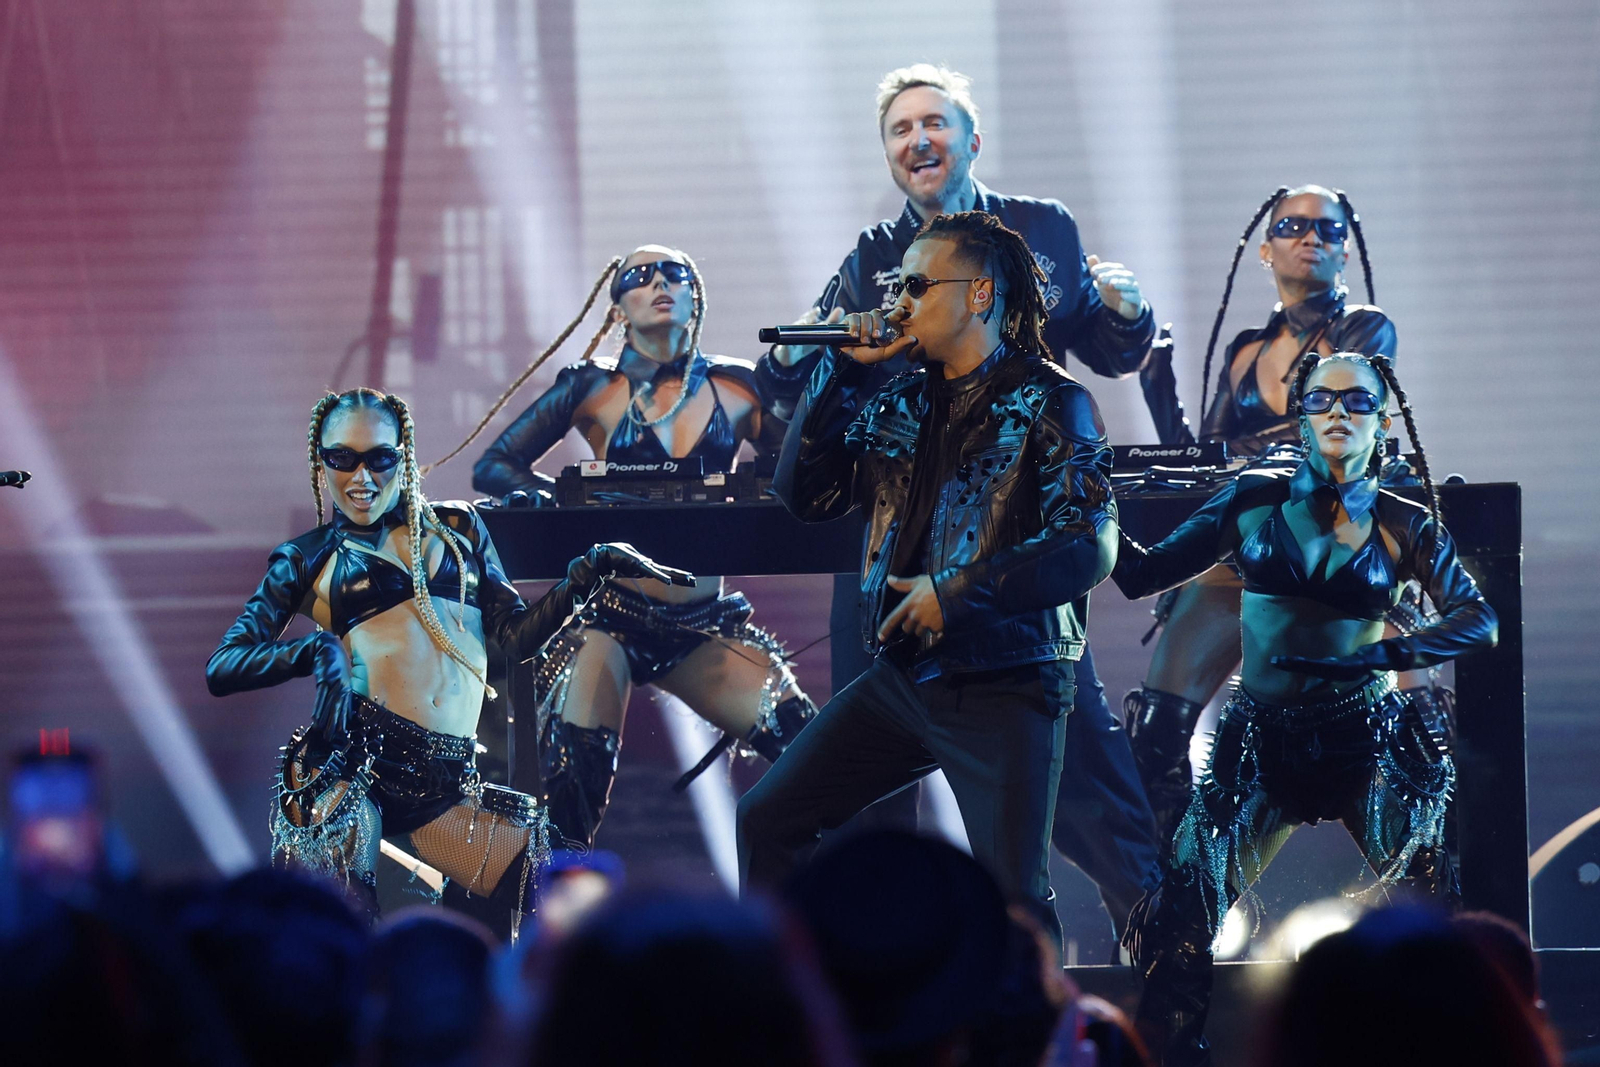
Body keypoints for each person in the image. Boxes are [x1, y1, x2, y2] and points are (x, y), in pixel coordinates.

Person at [754, 60, 1159, 942]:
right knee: (849, 814)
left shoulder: (1041, 232)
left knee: (1085, 797)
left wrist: (1130, 311)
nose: (917, 141)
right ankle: (872, 988)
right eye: (899, 130)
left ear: (972, 138)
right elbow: (798, 444)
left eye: (933, 123)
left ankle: (1161, 967)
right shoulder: (871, 259)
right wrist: (817, 365)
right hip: (903, 554)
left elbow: (1109, 346)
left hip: (1017, 558)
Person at [1114, 354, 1498, 1065]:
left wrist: (1374, 658)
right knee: (1178, 927)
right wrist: (1089, 510)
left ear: (1383, 418)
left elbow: (1479, 619)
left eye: (1357, 401)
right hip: (1257, 746)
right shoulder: (1252, 498)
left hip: (1367, 743)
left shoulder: (1402, 521)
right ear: (1304, 412)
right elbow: (1140, 574)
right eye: (1323, 397)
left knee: (1435, 924)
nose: (1338, 412)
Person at [206, 388, 689, 922]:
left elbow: (516, 637)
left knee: (559, 898)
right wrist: (314, 651)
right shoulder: (309, 557)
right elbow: (224, 664)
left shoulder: (458, 530)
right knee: (351, 924)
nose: (361, 479)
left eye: (379, 459)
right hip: (352, 767)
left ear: (404, 456)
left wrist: (587, 573)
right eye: (342, 459)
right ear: (321, 460)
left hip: (442, 782)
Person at [448, 245, 819, 852]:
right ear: (617, 306)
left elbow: (798, 472)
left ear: (696, 296)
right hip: (608, 619)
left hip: (698, 623)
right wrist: (549, 503)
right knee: (572, 785)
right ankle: (551, 920)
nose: (659, 283)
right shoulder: (589, 387)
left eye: (676, 273)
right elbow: (496, 465)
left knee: (805, 743)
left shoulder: (738, 388)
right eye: (638, 276)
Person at [1126, 184, 1409, 847]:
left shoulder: (1365, 327)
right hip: (1246, 555)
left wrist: (1243, 459)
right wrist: (1156, 379)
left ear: (1345, 248)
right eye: (1292, 224)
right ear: (1265, 248)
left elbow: (1321, 425)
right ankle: (1174, 905)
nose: (1311, 236)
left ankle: (1436, 909)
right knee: (1157, 736)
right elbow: (1205, 459)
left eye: (1328, 229)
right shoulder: (1246, 352)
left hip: (1330, 552)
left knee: (1365, 755)